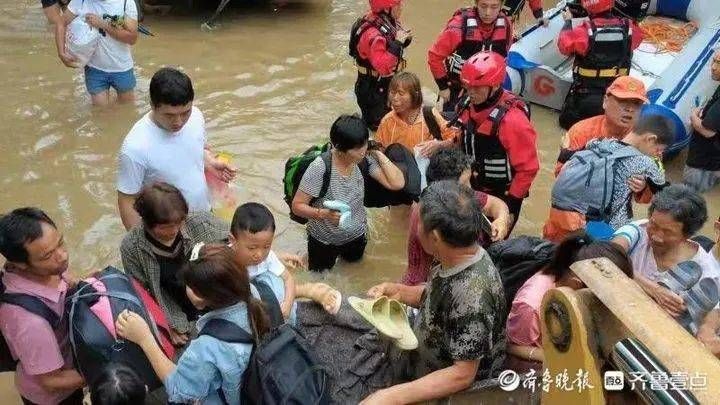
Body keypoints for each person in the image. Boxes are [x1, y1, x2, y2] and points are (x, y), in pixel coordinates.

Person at [360, 181, 506, 403]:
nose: (415, 228)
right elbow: (439, 298)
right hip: (425, 359)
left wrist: (390, 397)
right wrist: (398, 290)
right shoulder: (458, 255)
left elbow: (462, 374)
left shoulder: (473, 297)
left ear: (435, 237)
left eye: (419, 222)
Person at [115, 244, 270, 404]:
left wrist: (145, 339)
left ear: (200, 298)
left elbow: (178, 389)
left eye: (190, 284)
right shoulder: (252, 292)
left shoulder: (207, 348)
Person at [117, 67, 236, 230]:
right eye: (169, 115)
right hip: (167, 230)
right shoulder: (135, 148)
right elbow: (127, 199)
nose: (179, 122)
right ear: (152, 105)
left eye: (185, 113)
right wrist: (143, 245)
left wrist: (209, 162)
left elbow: (195, 148)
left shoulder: (196, 117)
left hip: (205, 215)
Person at [120, 182, 228, 347]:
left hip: (213, 297)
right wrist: (165, 326)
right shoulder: (132, 246)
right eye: (166, 227)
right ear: (147, 222)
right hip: (174, 308)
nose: (175, 230)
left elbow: (237, 243)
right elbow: (141, 293)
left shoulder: (200, 222)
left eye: (179, 222)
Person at [291, 115, 404, 271]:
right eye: (357, 148)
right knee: (321, 279)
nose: (363, 150)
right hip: (324, 240)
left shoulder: (363, 160)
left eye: (364, 143)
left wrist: (377, 152)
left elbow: (397, 183)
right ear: (339, 148)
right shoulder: (321, 167)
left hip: (356, 236)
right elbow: (297, 206)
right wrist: (324, 214)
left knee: (354, 272)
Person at [0, 208, 85, 405]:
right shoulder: (29, 322)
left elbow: (68, 281)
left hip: (66, 363)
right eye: (48, 255)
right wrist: (104, 372)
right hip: (54, 398)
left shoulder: (48, 268)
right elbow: (51, 381)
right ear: (20, 264)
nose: (63, 256)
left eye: (60, 243)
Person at [544, 114, 672, 242]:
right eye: (659, 149)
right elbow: (667, 194)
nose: (659, 154)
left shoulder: (599, 142)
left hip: (572, 216)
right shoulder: (646, 163)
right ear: (650, 139)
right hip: (607, 229)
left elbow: (566, 156)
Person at [506, 233, 633, 362]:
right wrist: (561, 361)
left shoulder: (568, 277)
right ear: (576, 284)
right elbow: (512, 348)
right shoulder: (532, 306)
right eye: (604, 299)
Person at [402, 147, 510, 285]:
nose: (471, 189)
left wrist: (502, 219)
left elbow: (497, 205)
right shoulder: (426, 219)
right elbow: (418, 278)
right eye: (465, 184)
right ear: (447, 191)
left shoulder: (460, 199)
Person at [457, 51, 539, 231]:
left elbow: (528, 169)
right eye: (468, 86)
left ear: (494, 86)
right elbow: (461, 138)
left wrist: (511, 206)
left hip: (501, 195)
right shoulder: (466, 104)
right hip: (471, 185)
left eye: (477, 87)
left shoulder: (513, 122)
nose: (471, 92)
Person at [612, 185, 720, 321]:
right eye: (654, 225)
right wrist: (654, 289)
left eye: (668, 232)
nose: (656, 236)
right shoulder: (638, 230)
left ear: (687, 235)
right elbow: (608, 253)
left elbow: (712, 315)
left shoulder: (705, 270)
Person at [557, 0, 643, 130]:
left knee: (565, 122)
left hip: (586, 96)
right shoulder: (629, 28)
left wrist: (568, 22)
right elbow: (638, 39)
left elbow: (564, 46)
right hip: (616, 97)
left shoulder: (585, 31)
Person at [428, 0, 513, 113]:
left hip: (490, 93)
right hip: (459, 91)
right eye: (483, 6)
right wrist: (443, 87)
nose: (488, 12)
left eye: (494, 7)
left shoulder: (506, 24)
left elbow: (504, 59)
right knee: (452, 126)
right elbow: (434, 57)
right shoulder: (459, 25)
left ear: (501, 6)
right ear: (476, 4)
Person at [555, 75, 648, 176]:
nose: (630, 109)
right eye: (623, 101)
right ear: (605, 101)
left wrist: (642, 185)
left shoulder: (646, 139)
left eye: (637, 103)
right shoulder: (581, 132)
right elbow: (560, 176)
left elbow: (654, 183)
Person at [229, 202, 301, 321]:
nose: (260, 254)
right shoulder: (224, 260)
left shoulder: (268, 257)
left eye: (267, 246)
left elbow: (288, 279)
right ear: (233, 240)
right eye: (252, 248)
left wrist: (287, 305)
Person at [62, 0, 138, 105]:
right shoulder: (81, 1)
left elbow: (132, 38)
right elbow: (61, 23)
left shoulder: (126, 2)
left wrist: (103, 25)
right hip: (94, 69)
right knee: (100, 112)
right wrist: (61, 53)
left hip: (122, 67)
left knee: (127, 108)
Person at [350, 0, 411, 131]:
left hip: (381, 85)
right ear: (386, 9)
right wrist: (398, 43)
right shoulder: (373, 34)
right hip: (374, 88)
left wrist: (403, 40)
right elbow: (383, 67)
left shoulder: (383, 20)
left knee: (390, 120)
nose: (401, 7)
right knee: (379, 127)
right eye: (397, 5)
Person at [375, 72, 457, 155]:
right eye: (392, 92)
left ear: (414, 95)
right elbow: (377, 152)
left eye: (401, 93)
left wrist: (439, 145)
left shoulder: (429, 115)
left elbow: (454, 140)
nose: (395, 98)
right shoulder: (387, 121)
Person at [683, 49, 720, 193]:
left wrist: (693, 116)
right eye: (714, 61)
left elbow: (708, 131)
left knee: (687, 200)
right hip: (713, 162)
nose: (713, 67)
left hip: (703, 164)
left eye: (719, 63)